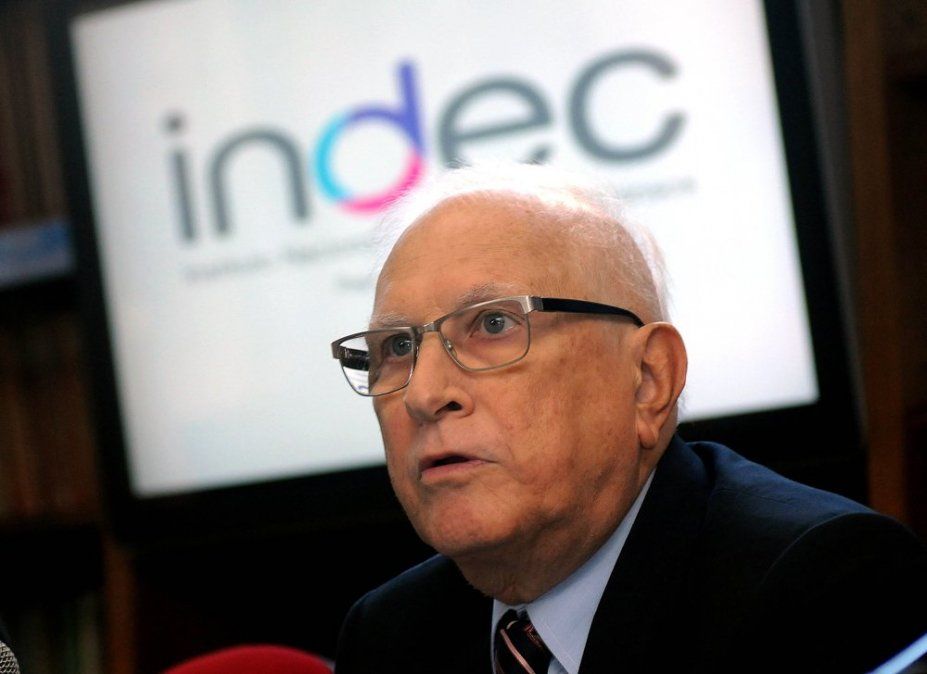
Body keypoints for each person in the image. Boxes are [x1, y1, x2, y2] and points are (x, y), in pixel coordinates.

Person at [330, 163, 927, 674]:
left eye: (493, 324)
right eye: (397, 347)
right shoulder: (389, 636)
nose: (424, 393)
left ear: (648, 380)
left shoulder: (821, 583)